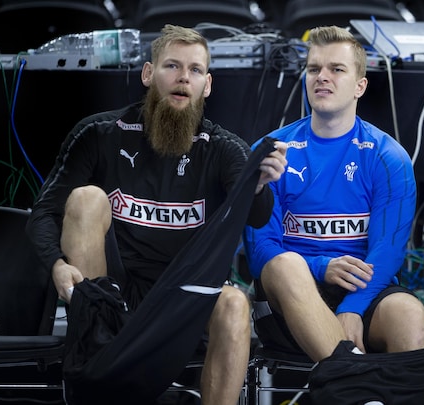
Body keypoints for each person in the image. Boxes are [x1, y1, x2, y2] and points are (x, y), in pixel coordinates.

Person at [25, 24, 287, 405]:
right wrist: (56, 265)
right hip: (115, 295)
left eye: (195, 70)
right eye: (172, 66)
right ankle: (100, 376)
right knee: (85, 199)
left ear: (207, 85)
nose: (183, 78)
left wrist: (259, 185)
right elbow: (43, 213)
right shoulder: (99, 133)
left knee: (234, 304)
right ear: (148, 74)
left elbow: (258, 218)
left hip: (186, 298)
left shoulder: (224, 148)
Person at [243, 26, 424, 403]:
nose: (322, 77)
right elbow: (259, 253)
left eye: (336, 69)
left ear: (360, 86)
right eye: (314, 69)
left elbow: (388, 252)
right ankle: (360, 389)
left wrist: (352, 308)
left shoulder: (388, 156)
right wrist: (321, 267)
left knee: (409, 312)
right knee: (286, 264)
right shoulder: (272, 152)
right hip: (289, 300)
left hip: (363, 293)